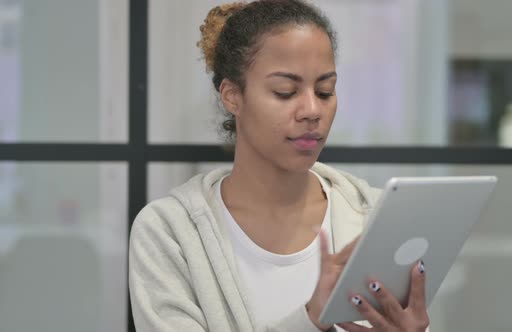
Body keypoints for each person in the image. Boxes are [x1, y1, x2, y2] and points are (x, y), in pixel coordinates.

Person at [129, 1, 430, 331]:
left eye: (325, 91)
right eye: (285, 92)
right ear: (232, 96)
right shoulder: (170, 234)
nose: (312, 110)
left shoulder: (376, 217)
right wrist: (310, 321)